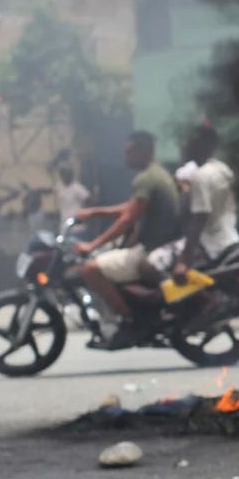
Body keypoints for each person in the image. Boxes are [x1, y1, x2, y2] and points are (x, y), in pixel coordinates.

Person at [71, 131, 180, 348]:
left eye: (131, 152)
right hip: (159, 245)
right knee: (105, 259)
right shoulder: (157, 174)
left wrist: (92, 245)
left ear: (144, 152)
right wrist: (94, 213)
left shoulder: (146, 178)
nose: (127, 157)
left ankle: (131, 321)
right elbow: (131, 208)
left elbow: (128, 219)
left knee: (90, 269)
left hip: (152, 249)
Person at [161, 125, 239, 282]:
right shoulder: (222, 169)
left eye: (187, 143)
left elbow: (199, 219)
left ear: (197, 146)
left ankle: (202, 299)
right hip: (230, 239)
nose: (183, 148)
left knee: (150, 263)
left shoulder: (200, 176)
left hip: (209, 245)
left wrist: (184, 262)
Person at [54, 165, 90, 234]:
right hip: (64, 224)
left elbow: (88, 199)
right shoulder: (59, 186)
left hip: (76, 226)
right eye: (63, 174)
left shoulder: (77, 187)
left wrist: (83, 213)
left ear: (71, 175)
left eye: (68, 174)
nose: (65, 176)